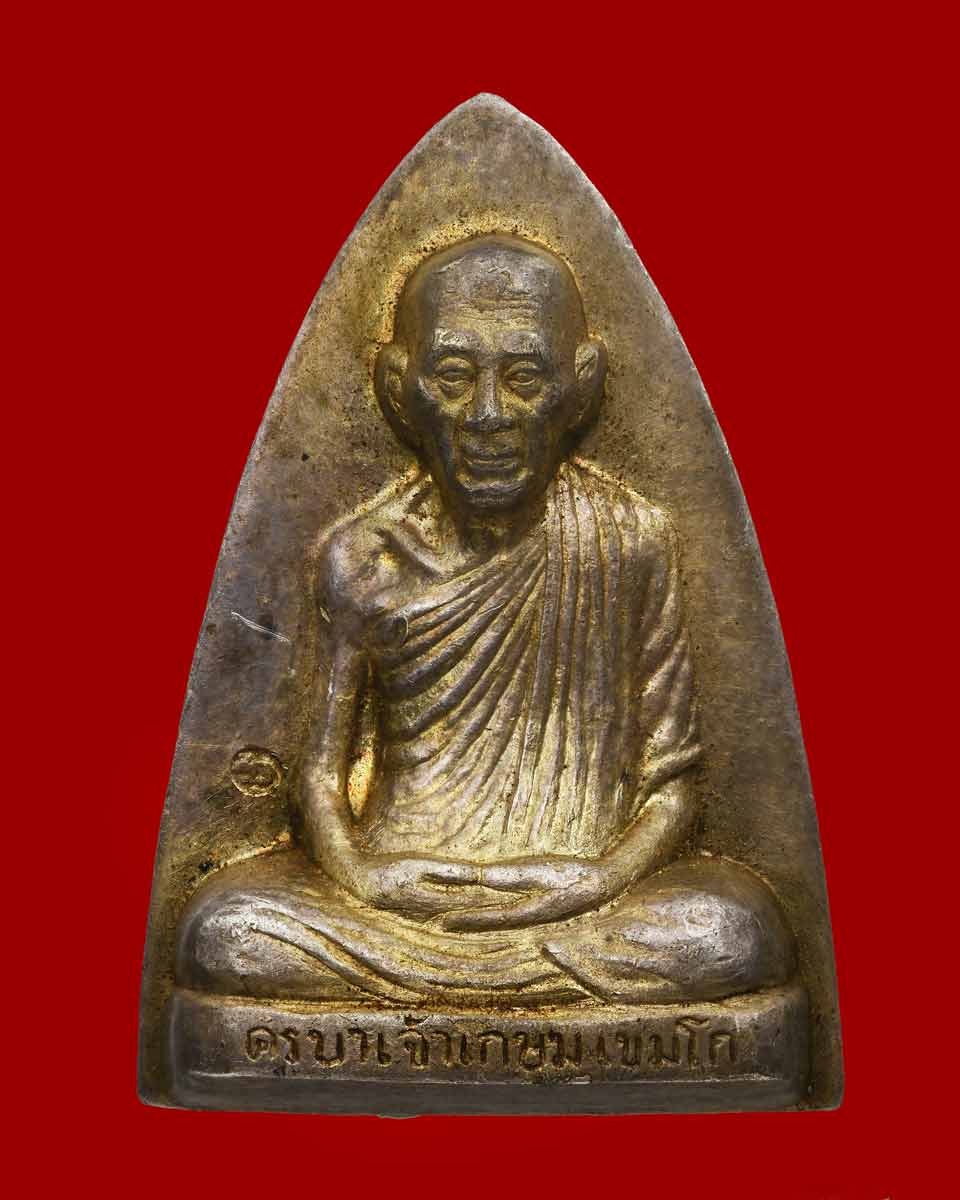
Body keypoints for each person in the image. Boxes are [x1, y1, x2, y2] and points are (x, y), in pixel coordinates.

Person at [176, 235, 793, 1006]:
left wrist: (600, 879)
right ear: (400, 388)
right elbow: (322, 776)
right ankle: (515, 993)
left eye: (525, 377)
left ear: (580, 386)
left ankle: (444, 999)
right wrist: (361, 876)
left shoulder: (630, 540)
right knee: (229, 931)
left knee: (733, 930)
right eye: (454, 376)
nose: (489, 415)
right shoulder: (363, 557)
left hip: (580, 889)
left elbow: (672, 784)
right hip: (401, 894)